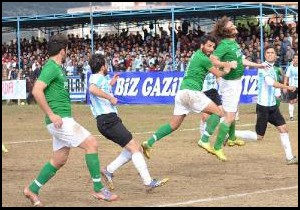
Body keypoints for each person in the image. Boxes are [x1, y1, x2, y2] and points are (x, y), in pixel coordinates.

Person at [24, 34, 118, 207]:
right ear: (63, 50)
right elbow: (37, 91)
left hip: (61, 120)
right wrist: (52, 115)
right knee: (91, 144)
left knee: (59, 159)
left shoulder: (57, 68)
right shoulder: (51, 67)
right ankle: (98, 188)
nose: (67, 52)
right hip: (59, 120)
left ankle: (32, 190)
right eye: (67, 49)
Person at [141, 35, 236, 159]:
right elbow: (218, 73)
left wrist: (222, 63)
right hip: (191, 92)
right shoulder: (204, 59)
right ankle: (205, 139)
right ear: (202, 45)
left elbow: (213, 63)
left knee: (173, 125)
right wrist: (228, 68)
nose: (211, 49)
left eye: (213, 46)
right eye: (209, 46)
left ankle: (149, 143)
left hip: (181, 93)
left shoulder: (197, 55)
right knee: (218, 113)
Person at [88, 54, 169, 192]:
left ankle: (109, 170)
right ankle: (148, 181)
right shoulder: (97, 77)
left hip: (107, 120)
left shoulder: (100, 78)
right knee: (135, 149)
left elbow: (99, 88)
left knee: (132, 147)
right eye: (105, 65)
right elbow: (92, 89)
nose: (107, 67)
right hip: (108, 120)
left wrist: (110, 83)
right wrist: (110, 97)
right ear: (102, 66)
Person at [209, 16, 267, 161]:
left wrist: (258, 65)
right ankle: (217, 147)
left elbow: (241, 60)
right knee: (229, 116)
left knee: (233, 111)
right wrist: (226, 65)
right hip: (230, 84)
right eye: (231, 25)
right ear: (225, 30)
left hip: (235, 82)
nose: (234, 26)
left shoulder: (233, 43)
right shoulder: (223, 45)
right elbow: (212, 59)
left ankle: (232, 137)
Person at [233, 46, 298, 165]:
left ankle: (289, 157)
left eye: (272, 52)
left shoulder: (272, 68)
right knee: (259, 137)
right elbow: (270, 83)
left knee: (284, 129)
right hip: (263, 107)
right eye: (267, 52)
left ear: (276, 55)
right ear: (265, 55)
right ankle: (232, 133)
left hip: (272, 106)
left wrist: (277, 93)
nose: (269, 54)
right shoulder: (263, 68)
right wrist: (287, 87)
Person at [283, 54, 298, 121]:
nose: (296, 60)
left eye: (297, 58)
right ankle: (291, 116)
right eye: (295, 58)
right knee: (292, 101)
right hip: (292, 87)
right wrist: (285, 86)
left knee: (295, 101)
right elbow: (286, 77)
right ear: (293, 59)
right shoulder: (290, 68)